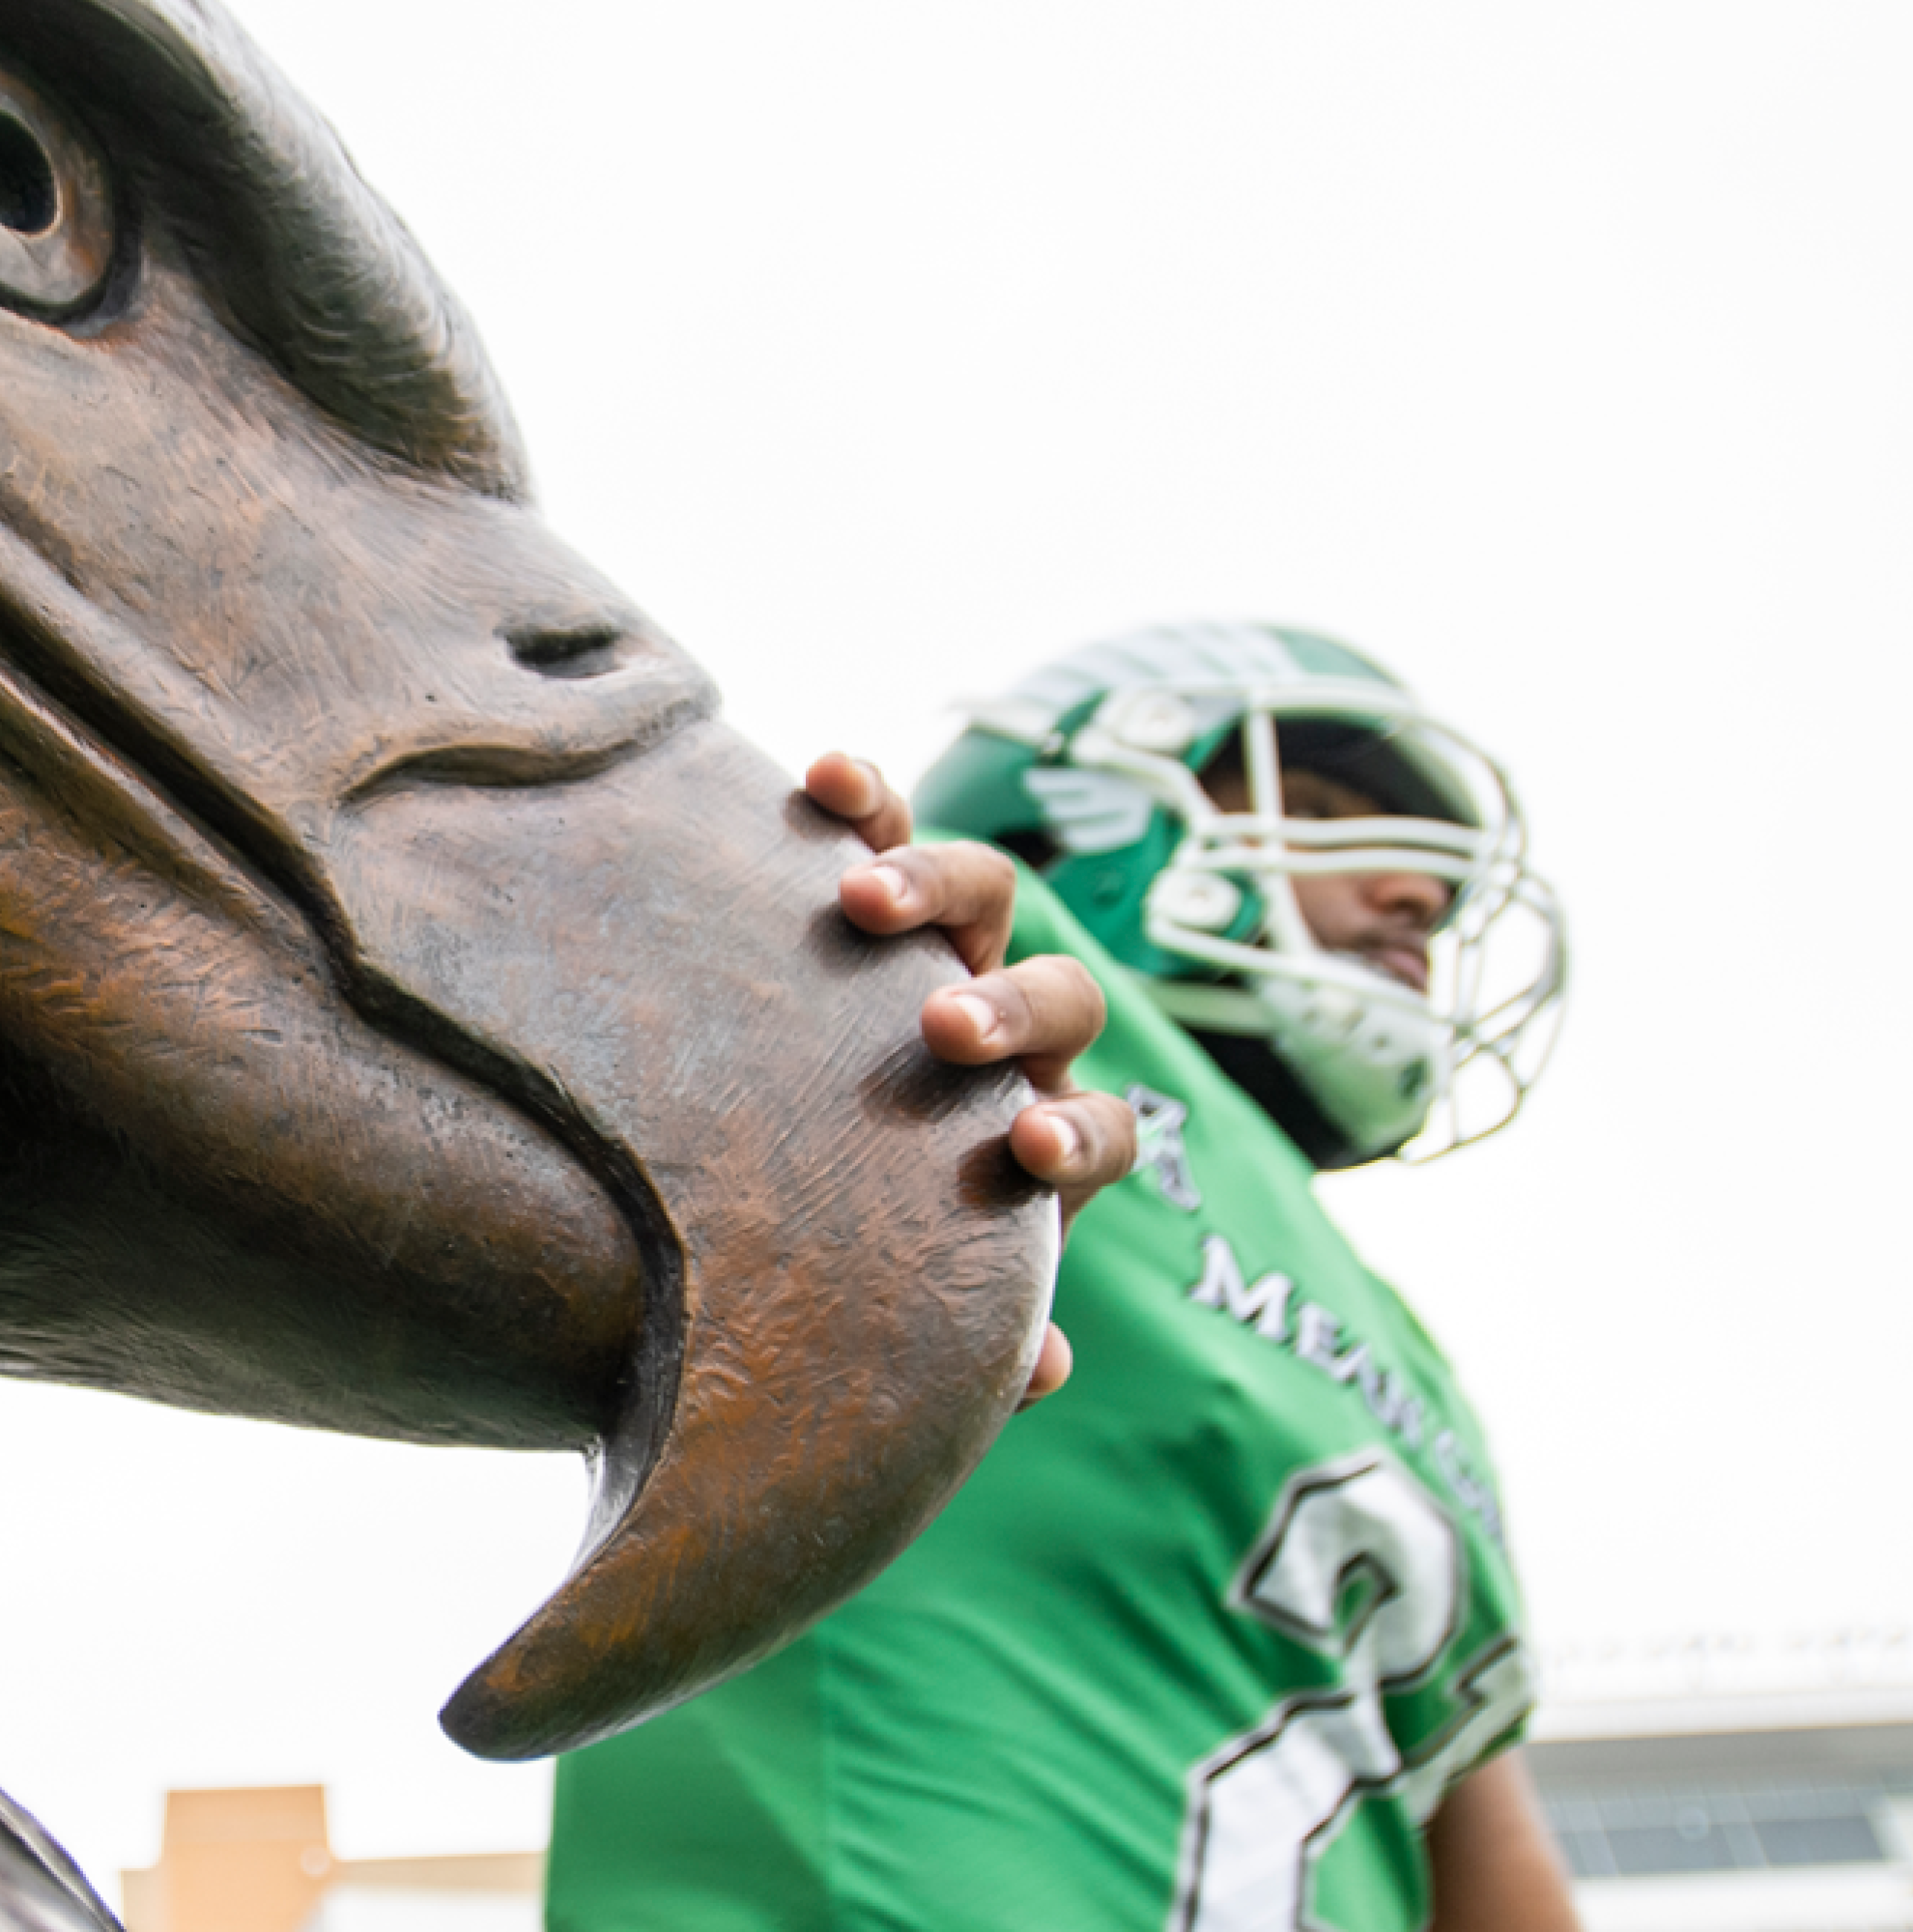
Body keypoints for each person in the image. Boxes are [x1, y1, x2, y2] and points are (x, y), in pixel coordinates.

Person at [559, 622, 1584, 1932]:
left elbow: (1475, 1826)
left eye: (1430, 892)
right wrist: (842, 1051)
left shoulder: (1404, 1341)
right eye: (1324, 813)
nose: (1414, 905)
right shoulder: (984, 992)